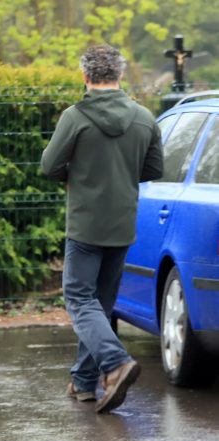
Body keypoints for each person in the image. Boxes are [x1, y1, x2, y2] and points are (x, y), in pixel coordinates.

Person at [41, 44, 163, 414]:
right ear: (120, 76)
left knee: (79, 299)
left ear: (85, 76)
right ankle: (84, 381)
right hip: (123, 222)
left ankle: (114, 363)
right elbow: (154, 170)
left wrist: (75, 176)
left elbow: (49, 166)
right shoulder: (144, 118)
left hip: (85, 222)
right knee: (100, 303)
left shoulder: (75, 117)